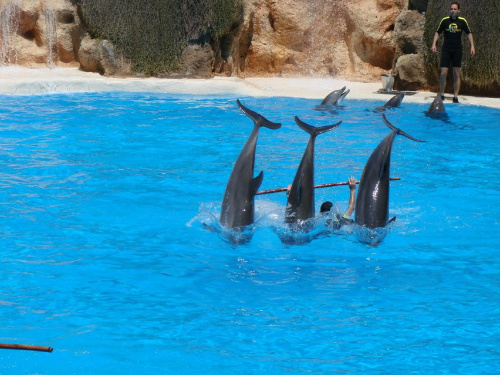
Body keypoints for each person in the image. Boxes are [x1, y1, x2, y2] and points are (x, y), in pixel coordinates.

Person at [431, 2, 475, 104]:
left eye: (455, 9)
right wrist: (434, 44)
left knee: (456, 73)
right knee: (443, 73)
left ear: (458, 10)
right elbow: (437, 32)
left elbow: (469, 33)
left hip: (457, 50)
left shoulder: (462, 21)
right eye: (451, 9)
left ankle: (455, 97)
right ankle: (441, 94)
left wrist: (472, 46)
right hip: (446, 49)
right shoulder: (445, 21)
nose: (453, 11)